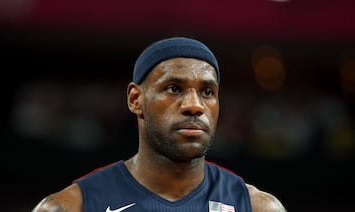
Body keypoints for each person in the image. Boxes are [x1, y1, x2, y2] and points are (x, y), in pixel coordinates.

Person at [32, 37, 286, 212]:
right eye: (174, 88)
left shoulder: (257, 207)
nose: (194, 105)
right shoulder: (70, 206)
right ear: (135, 99)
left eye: (207, 92)